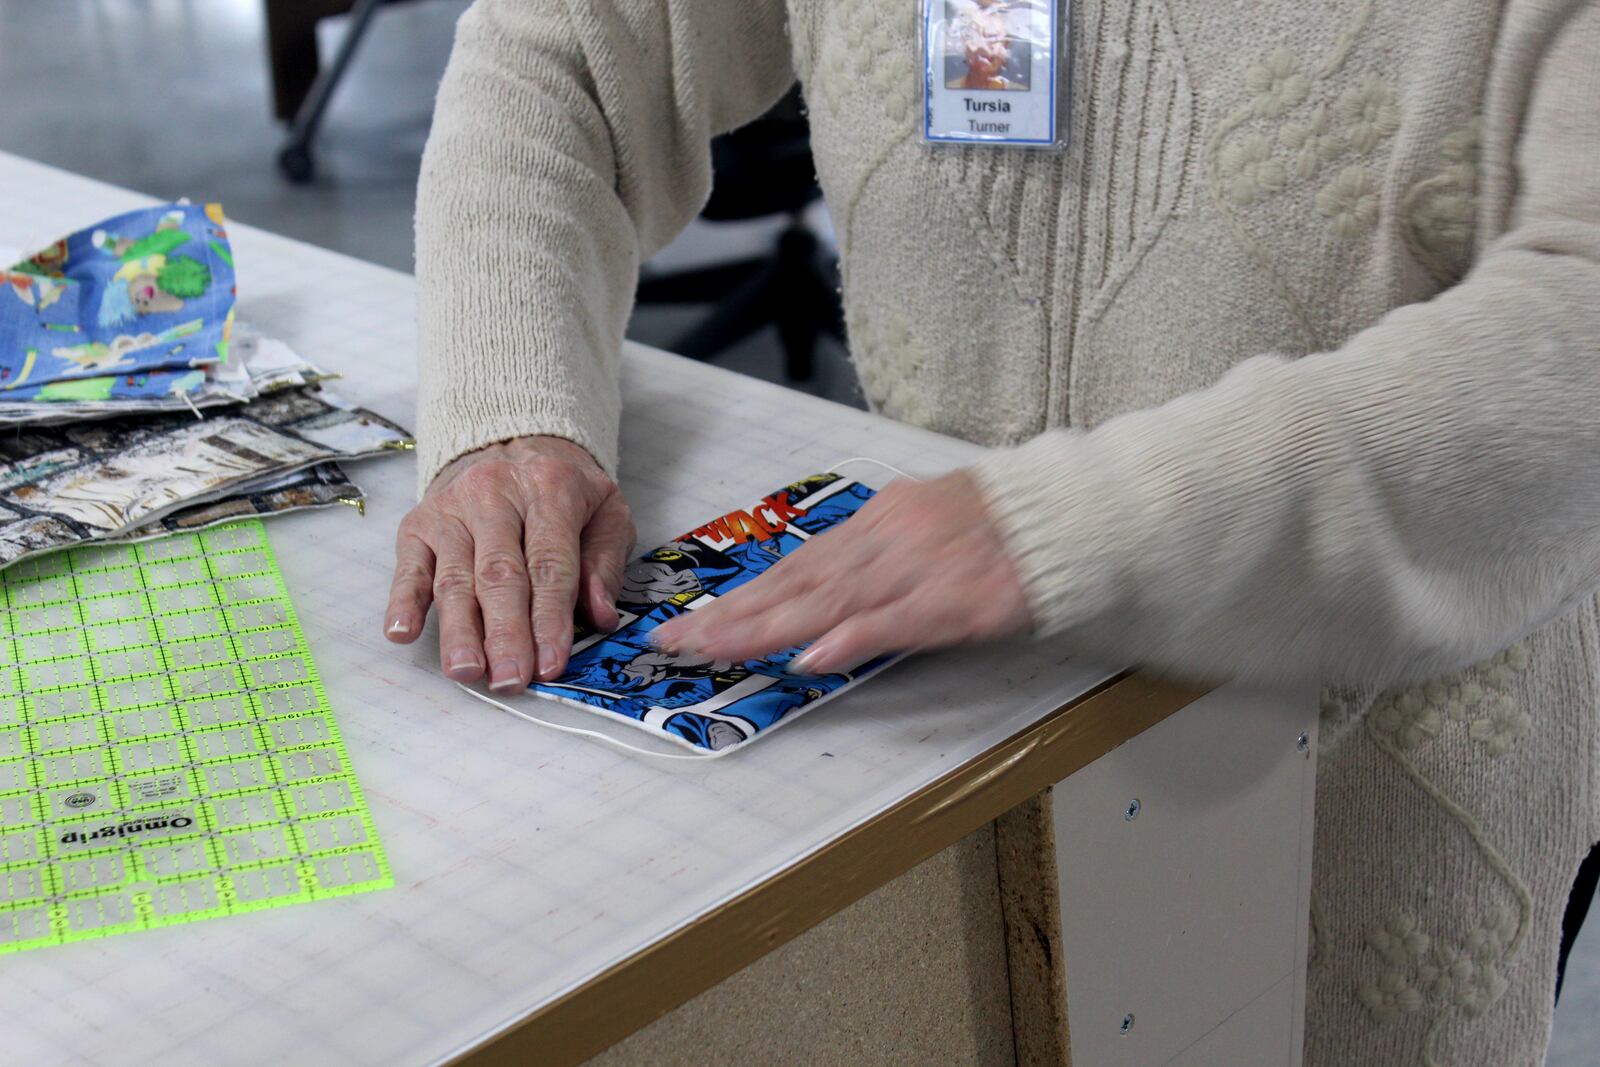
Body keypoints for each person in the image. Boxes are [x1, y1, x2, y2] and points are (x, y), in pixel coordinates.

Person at [386, 1, 1600, 1062]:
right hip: (933, 710)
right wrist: (514, 411)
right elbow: (562, 54)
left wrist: (1062, 525)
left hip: (1374, 750)